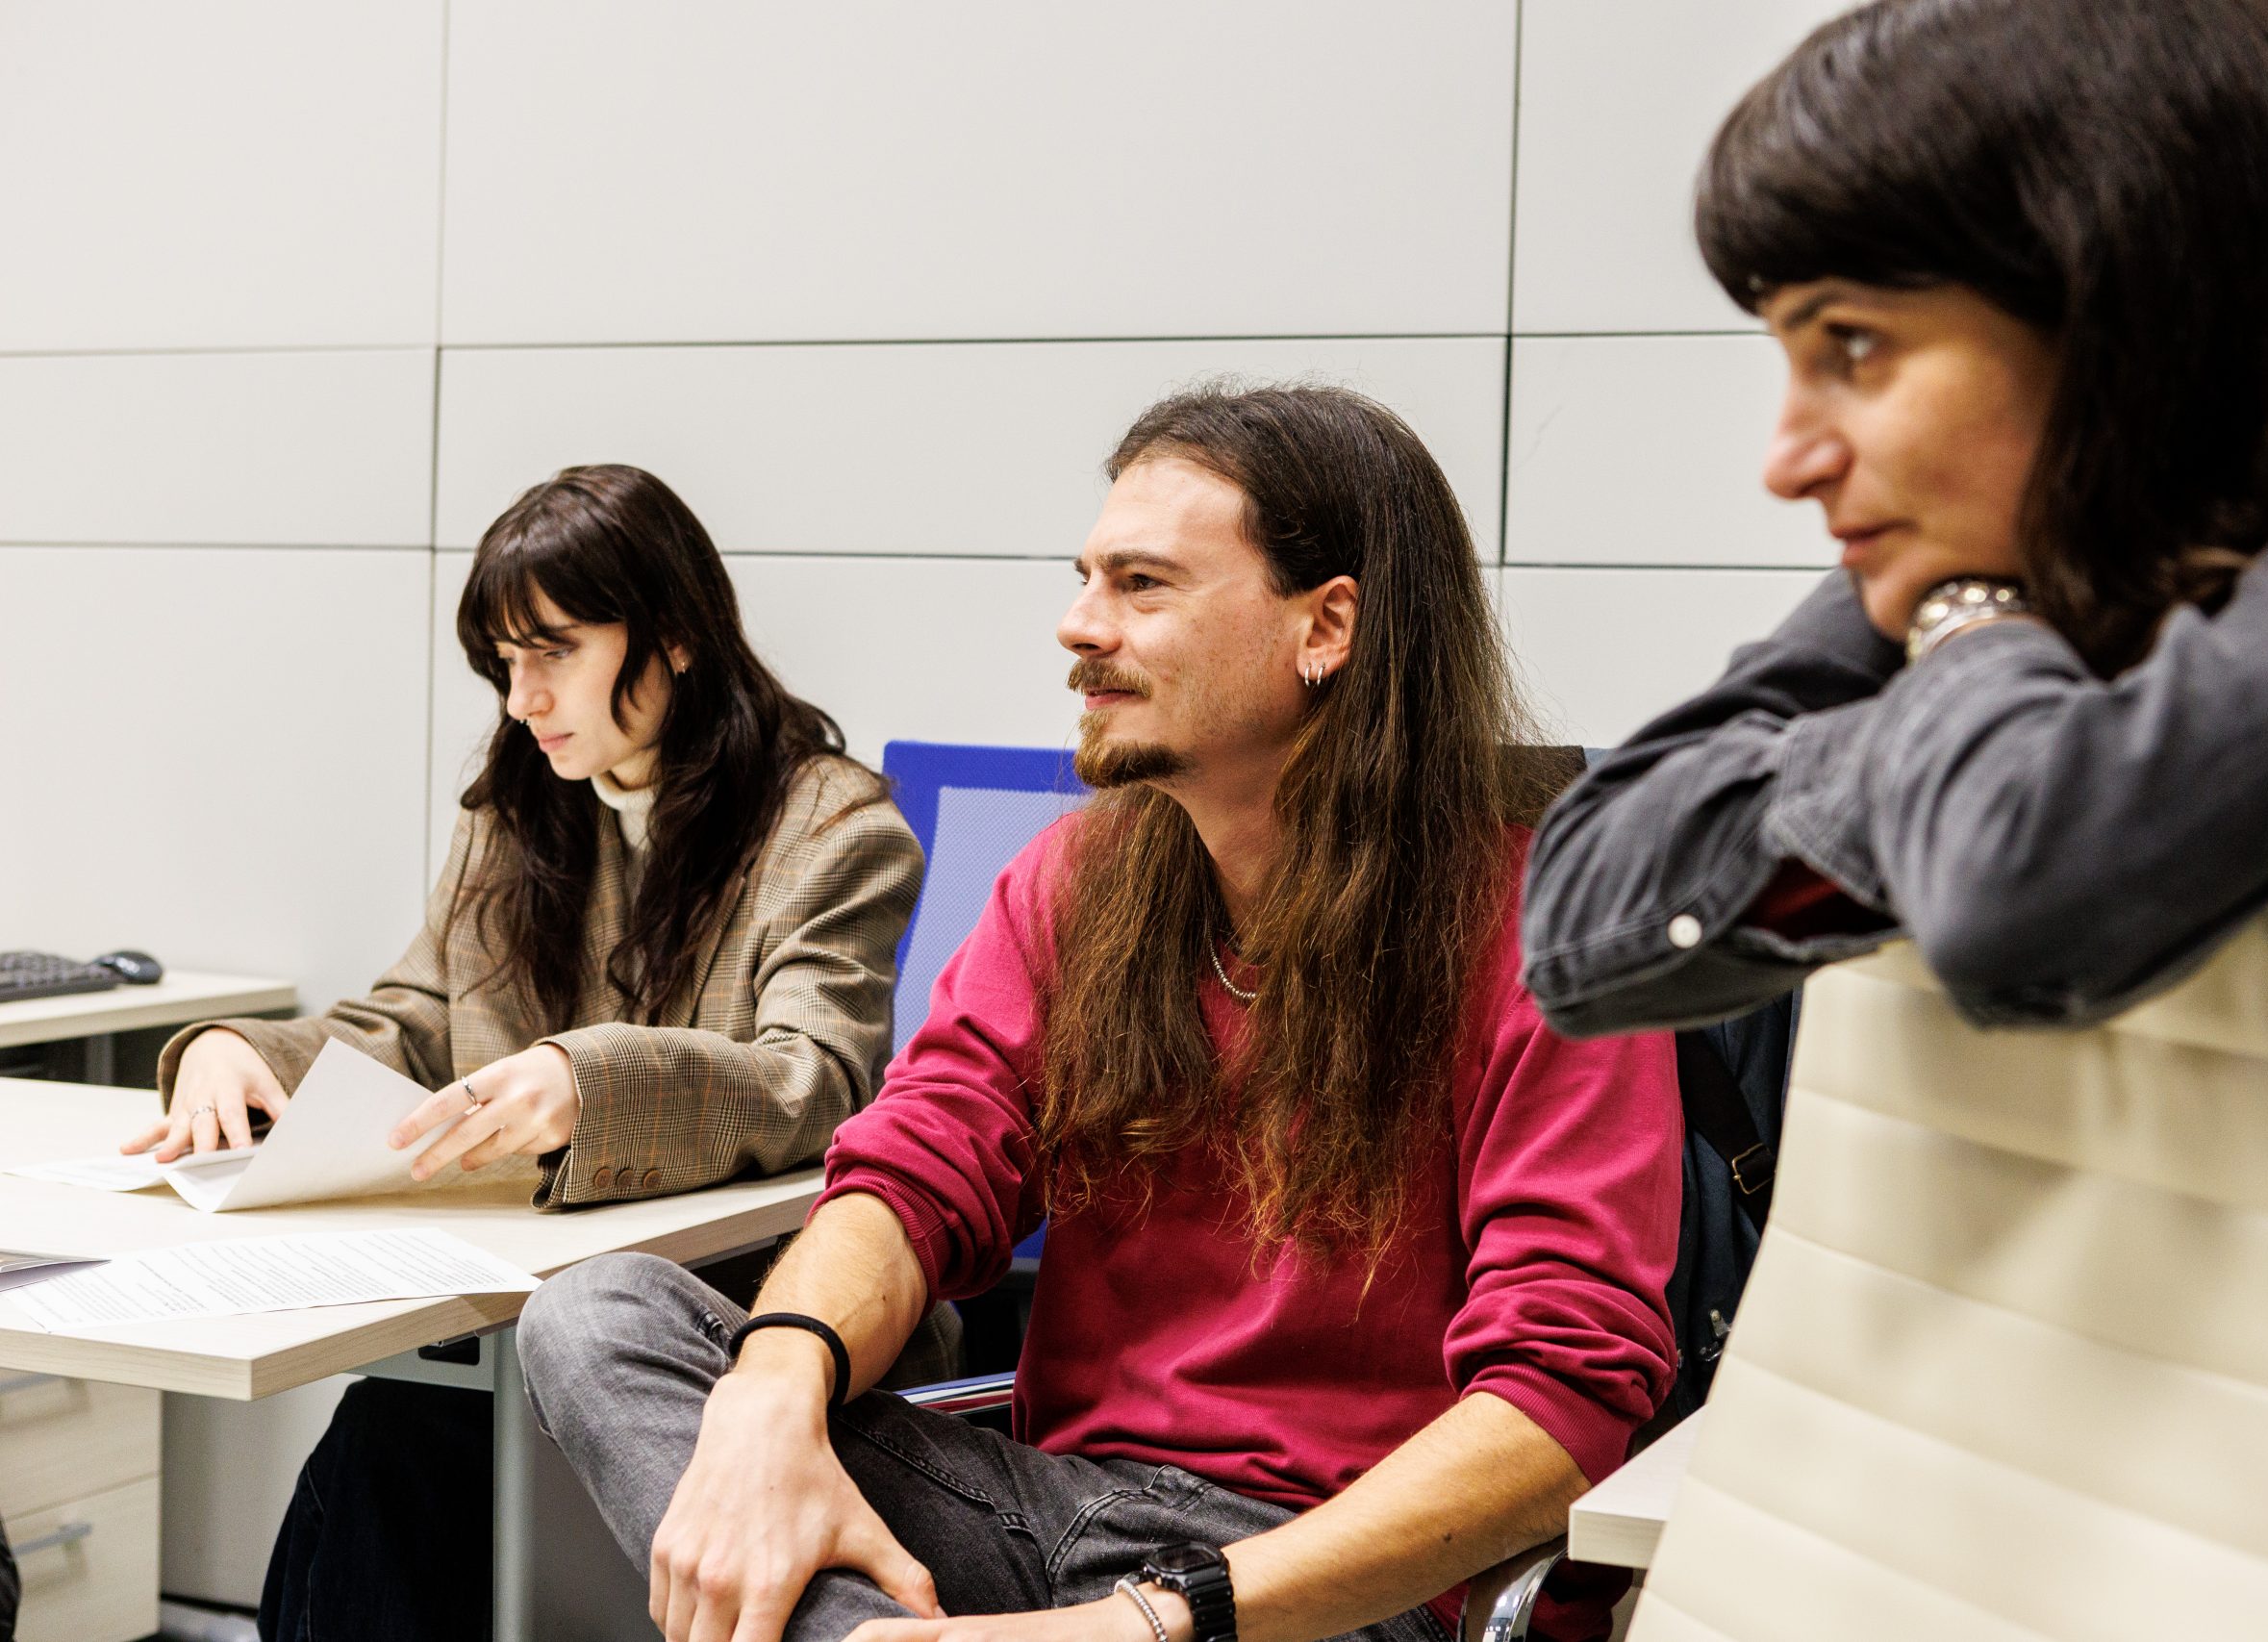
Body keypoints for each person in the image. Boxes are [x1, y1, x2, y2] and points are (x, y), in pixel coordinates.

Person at [518, 385, 1685, 1642]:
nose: (1078, 625)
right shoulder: (1074, 884)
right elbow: (917, 1168)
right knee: (600, 1315)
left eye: (1141, 585)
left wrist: (1150, 1621)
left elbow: (1557, 1405)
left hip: (1329, 1584)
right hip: (1047, 1516)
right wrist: (773, 1390)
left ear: (1326, 625)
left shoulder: (1551, 931)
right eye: (1086, 579)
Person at [1521, 0, 2268, 1039]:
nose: (1787, 464)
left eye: (1853, 345)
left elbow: (2023, 889)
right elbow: (1577, 913)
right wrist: (1945, 730)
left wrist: (1962, 654)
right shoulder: (2015, 535)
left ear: (2118, 305)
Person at [126, 465, 951, 1641]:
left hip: (738, 1321)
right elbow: (417, 1023)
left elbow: (813, 1079)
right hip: (521, 1310)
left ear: (673, 635)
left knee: (404, 1450)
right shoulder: (517, 810)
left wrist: (585, 1080)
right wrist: (237, 1051)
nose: (523, 699)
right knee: (394, 1438)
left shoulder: (831, 826)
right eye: (504, 661)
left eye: (554, 652)